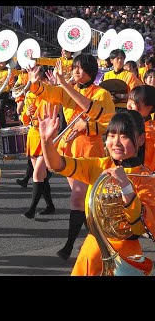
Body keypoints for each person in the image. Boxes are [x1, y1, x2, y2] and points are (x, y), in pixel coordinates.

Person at [39, 105, 155, 276]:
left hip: (126, 252)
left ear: (140, 140)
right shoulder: (99, 165)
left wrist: (125, 185)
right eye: (111, 135)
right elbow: (57, 165)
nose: (115, 142)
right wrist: (46, 142)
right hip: (93, 248)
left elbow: (140, 227)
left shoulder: (146, 177)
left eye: (124, 137)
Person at [28, 54, 116, 260]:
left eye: (80, 68)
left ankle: (69, 246)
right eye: (74, 67)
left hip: (89, 153)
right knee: (85, 200)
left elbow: (105, 121)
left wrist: (88, 126)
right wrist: (35, 85)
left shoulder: (102, 93)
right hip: (69, 149)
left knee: (78, 198)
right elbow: (51, 93)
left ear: (91, 71)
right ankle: (100, 241)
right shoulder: (71, 89)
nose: (76, 71)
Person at [19, 68, 56, 217]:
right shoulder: (29, 95)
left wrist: (53, 87)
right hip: (33, 135)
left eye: (40, 80)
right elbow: (23, 118)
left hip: (46, 137)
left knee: (37, 175)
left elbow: (55, 110)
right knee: (42, 176)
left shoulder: (50, 95)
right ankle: (50, 205)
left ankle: (31, 210)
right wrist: (27, 113)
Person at [127, 85, 155, 171]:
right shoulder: (128, 123)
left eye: (134, 103)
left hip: (146, 176)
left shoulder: (151, 131)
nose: (129, 105)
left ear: (148, 108)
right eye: (129, 100)